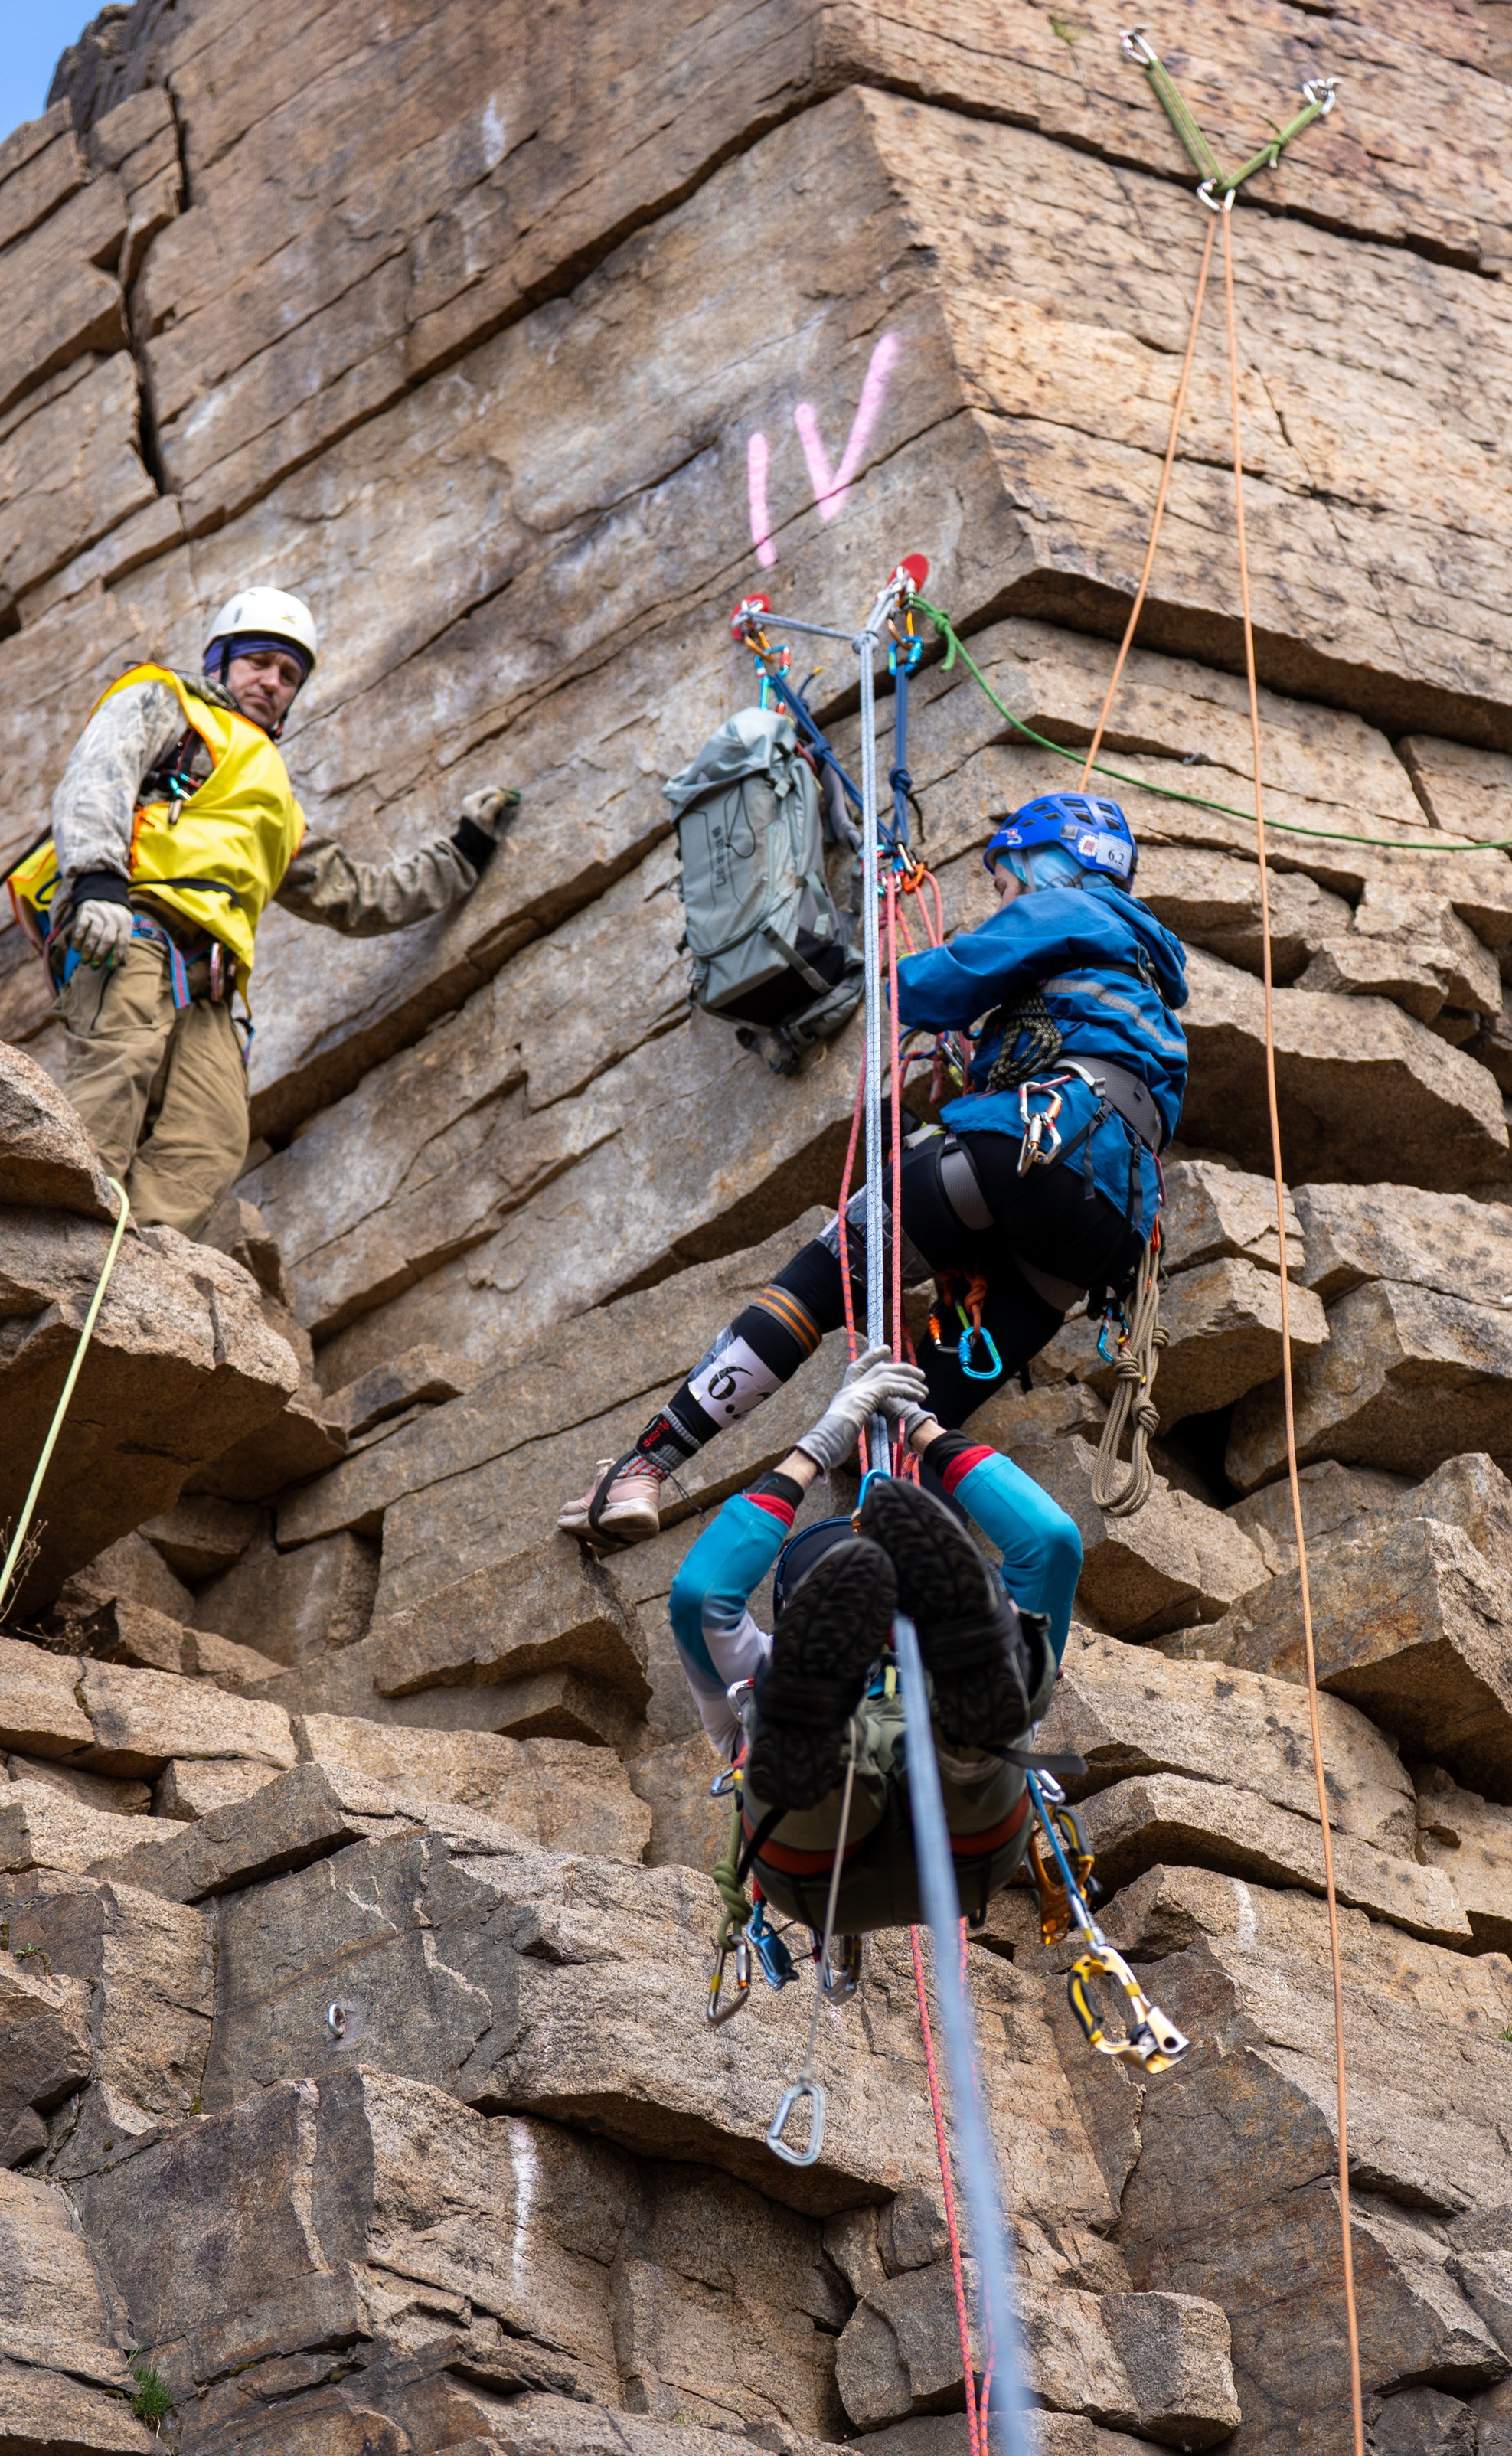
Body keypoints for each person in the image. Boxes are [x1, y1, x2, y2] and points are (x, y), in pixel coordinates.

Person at [559, 789, 1187, 1541]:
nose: (1003, 893)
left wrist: (878, 968)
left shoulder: (1073, 910)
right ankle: (879, 1588)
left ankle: (641, 1469)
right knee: (902, 1433)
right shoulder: (1151, 986)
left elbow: (931, 987)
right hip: (1103, 1234)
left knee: (822, 1281)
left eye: (1003, 878)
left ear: (1041, 862)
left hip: (1027, 1148)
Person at [7, 586, 521, 1239]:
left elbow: (357, 896)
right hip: (130, 925)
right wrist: (97, 881)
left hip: (211, 984)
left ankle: (126, 1264)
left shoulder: (278, 807)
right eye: (259, 663)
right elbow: (98, 773)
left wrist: (464, 852)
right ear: (221, 660)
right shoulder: (169, 702)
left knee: (214, 1137)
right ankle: (54, 1245)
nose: (273, 682)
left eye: (289, 676)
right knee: (118, 1066)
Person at [668, 1347, 1083, 1937]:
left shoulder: (750, 1671)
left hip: (812, 1867)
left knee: (807, 1739)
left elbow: (701, 1595)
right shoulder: (759, 1663)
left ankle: (827, 1715)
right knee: (987, 1712)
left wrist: (836, 1446)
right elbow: (1048, 1543)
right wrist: (922, 1434)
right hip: (971, 1847)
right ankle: (945, 1709)